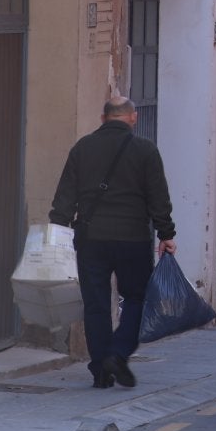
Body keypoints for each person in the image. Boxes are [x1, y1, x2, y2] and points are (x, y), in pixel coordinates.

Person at [50, 96, 176, 389]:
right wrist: (166, 233)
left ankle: (100, 371)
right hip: (132, 238)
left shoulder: (83, 148)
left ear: (103, 118)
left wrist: (58, 231)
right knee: (137, 299)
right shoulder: (145, 150)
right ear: (133, 118)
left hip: (91, 237)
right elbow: (158, 197)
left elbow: (65, 196)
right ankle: (118, 353)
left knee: (95, 304)